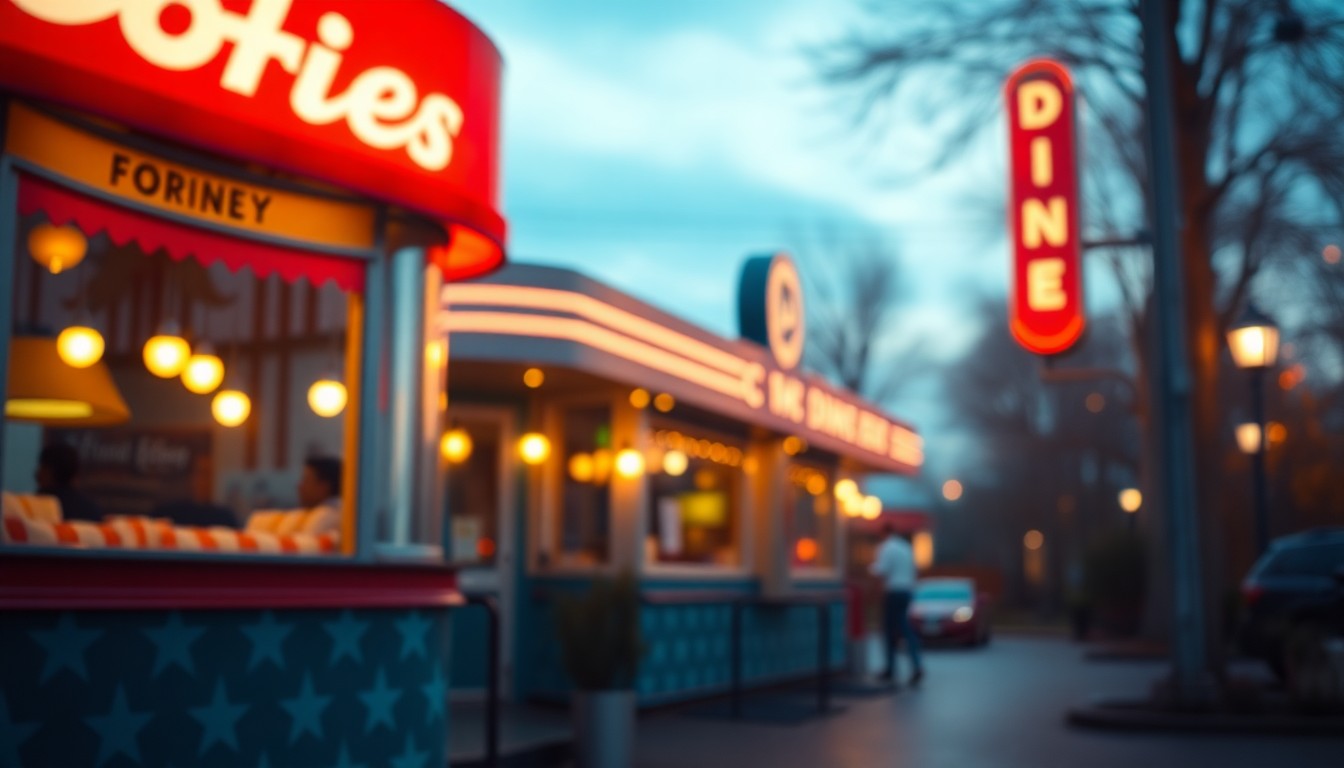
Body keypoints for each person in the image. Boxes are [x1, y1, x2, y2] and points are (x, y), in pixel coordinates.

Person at [870, 523, 924, 686]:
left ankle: (891, 668)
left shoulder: (886, 548)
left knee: (889, 630)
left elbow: (881, 571)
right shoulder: (906, 547)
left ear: (884, 533)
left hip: (893, 591)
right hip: (906, 590)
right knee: (904, 627)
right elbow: (915, 570)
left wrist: (877, 591)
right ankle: (915, 664)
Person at [34, 442, 103, 522]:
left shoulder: (37, 507)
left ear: (49, 471)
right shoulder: (92, 510)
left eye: (41, 467)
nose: (36, 474)